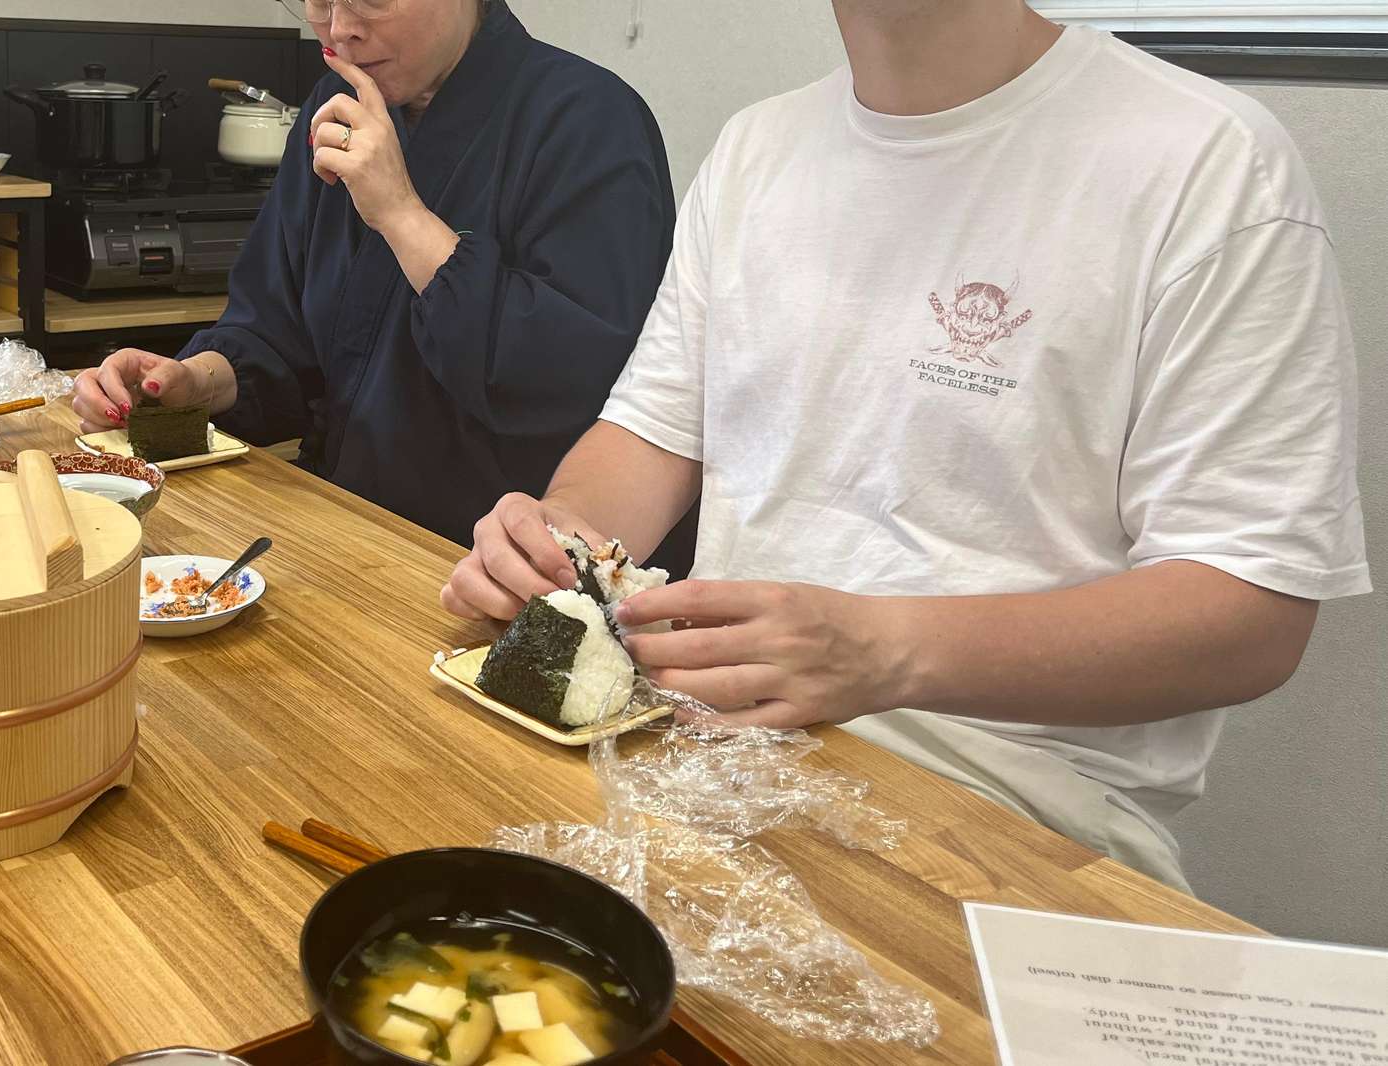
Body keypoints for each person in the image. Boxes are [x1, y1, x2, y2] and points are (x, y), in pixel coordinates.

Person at [444, 0, 1369, 891]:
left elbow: (1251, 614)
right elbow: (653, 431)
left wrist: (886, 650)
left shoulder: (1209, 164)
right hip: (704, 752)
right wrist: (556, 539)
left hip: (1016, 809)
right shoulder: (758, 149)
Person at [71, 0, 684, 561]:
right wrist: (194, 381)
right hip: (345, 526)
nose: (340, 28)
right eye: (318, 1)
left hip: (496, 560)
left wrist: (400, 213)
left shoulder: (588, 119)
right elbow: (277, 333)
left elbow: (569, 383)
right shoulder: (331, 110)